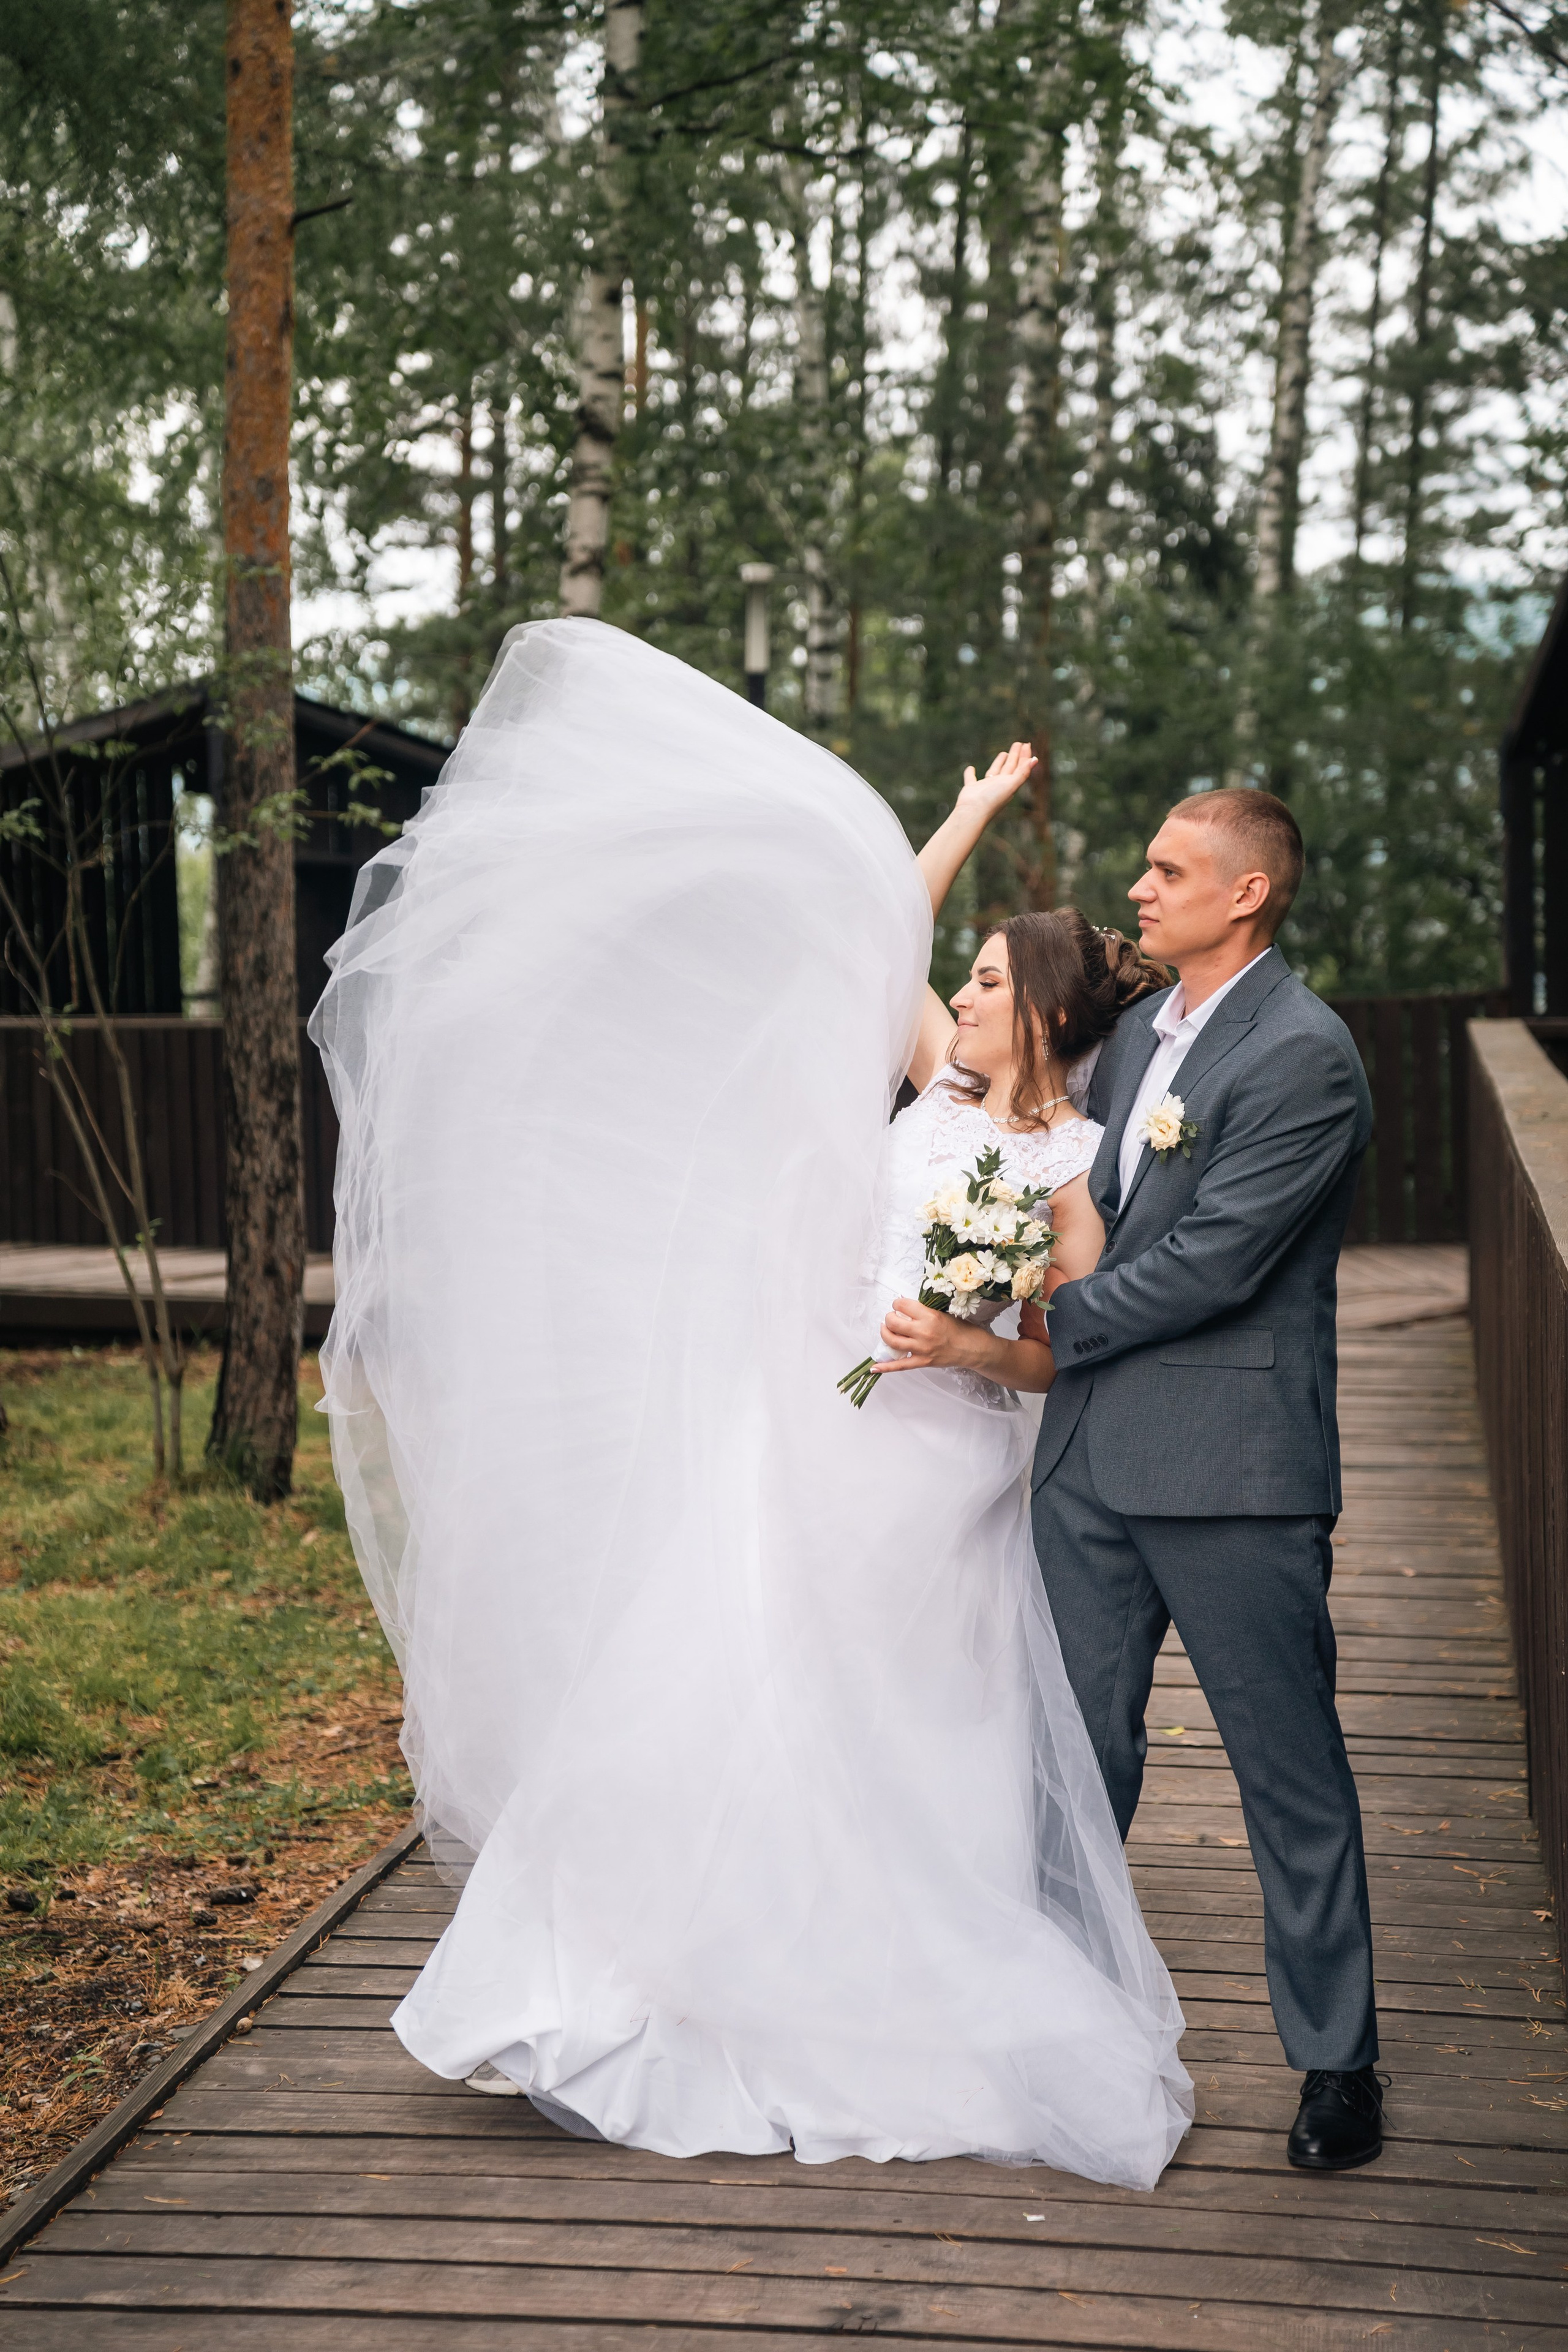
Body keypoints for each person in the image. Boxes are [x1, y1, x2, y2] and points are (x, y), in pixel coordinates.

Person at [311, 618, 1191, 2186]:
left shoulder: (1061, 1170)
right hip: (818, 1415)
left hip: (942, 1451)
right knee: (727, 1643)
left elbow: (1067, 1346)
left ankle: (871, 1950)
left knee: (907, 1708)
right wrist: (971, 815)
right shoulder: (933, 1082)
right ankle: (646, 1950)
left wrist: (970, 1351)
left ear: (1038, 1019)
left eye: (990, 983)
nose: (962, 992)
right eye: (967, 978)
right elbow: (879, 925)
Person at [1029, 788, 1382, 2172]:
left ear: (1246, 893)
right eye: (1145, 859)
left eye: (1169, 867)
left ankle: (1337, 2065)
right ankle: (1052, 2032)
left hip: (1232, 1470)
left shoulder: (1303, 1054)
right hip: (1083, 1467)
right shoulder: (1127, 1040)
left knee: (1285, 1776)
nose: (1140, 885)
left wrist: (1043, 1322)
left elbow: (1216, 1263)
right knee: (1066, 1763)